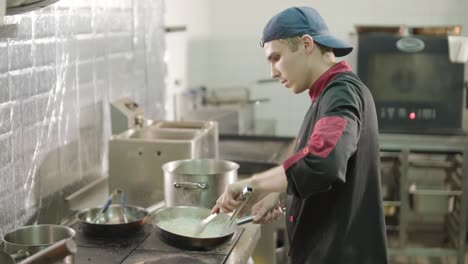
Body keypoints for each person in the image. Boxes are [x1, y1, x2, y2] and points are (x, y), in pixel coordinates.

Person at [212, 6, 388, 264]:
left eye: (276, 58)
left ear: (306, 44)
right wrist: (282, 193)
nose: (272, 72)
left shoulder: (342, 94)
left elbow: (322, 162)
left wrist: (253, 184)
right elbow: (330, 174)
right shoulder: (327, 94)